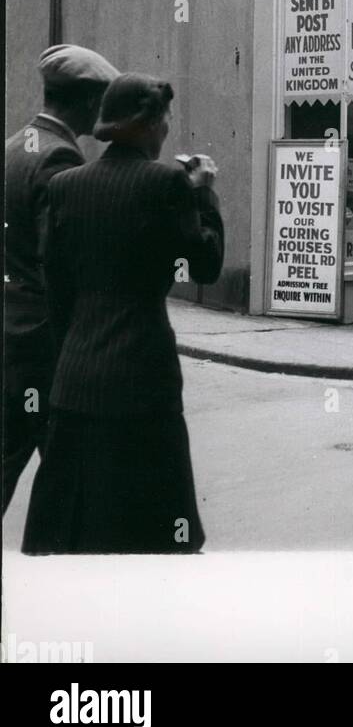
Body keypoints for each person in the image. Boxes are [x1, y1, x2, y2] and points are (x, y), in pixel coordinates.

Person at [22, 74, 223, 554]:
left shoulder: (66, 186)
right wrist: (203, 195)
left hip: (76, 378)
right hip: (143, 375)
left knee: (75, 530)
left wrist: (74, 350)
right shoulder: (167, 182)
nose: (168, 130)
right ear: (148, 124)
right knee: (149, 527)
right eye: (165, 119)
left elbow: (57, 288)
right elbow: (206, 267)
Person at [3, 43, 119, 515]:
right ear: (88, 101)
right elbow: (63, 264)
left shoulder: (14, 146)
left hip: (11, 335)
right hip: (43, 346)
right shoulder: (60, 161)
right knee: (75, 477)